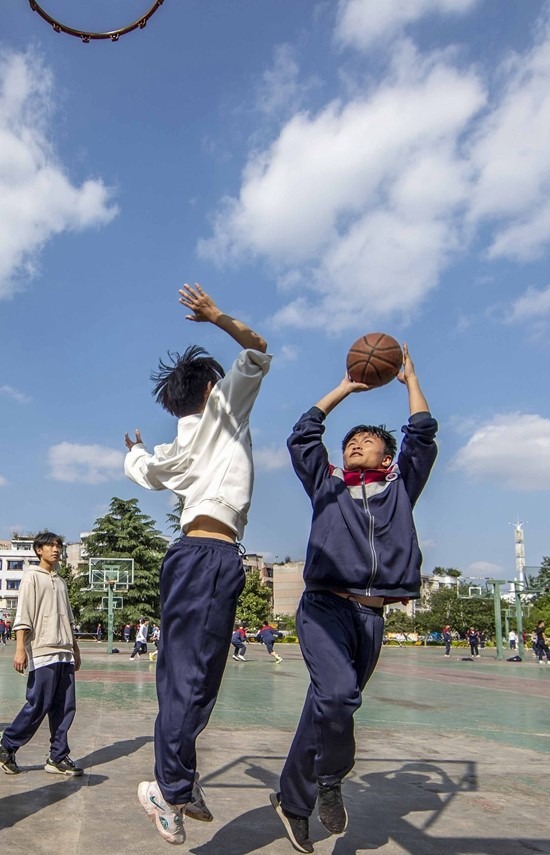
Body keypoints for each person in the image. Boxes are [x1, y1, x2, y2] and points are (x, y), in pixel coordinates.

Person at [270, 343, 437, 854]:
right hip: (324, 606)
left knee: (327, 710)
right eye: (351, 441)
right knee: (339, 697)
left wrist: (408, 379)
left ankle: (292, 803)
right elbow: (303, 434)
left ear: (387, 457)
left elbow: (422, 435)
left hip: (371, 616)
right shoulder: (328, 486)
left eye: (367, 440)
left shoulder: (400, 487)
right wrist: (346, 386)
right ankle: (330, 781)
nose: (356, 444)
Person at [124, 283, 270, 845]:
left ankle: (177, 779)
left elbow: (143, 468)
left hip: (195, 556)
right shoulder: (224, 410)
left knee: (191, 679)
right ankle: (169, 786)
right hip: (209, 556)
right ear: (212, 389)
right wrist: (216, 318)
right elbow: (258, 348)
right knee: (192, 679)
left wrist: (134, 448)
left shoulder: (175, 448)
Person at [0, 532, 83, 777]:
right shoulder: (31, 578)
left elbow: (68, 619)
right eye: (50, 546)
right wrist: (19, 650)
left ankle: (58, 757)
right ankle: (7, 745)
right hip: (43, 652)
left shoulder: (60, 581)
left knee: (65, 707)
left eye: (58, 545)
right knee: (38, 705)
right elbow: (23, 616)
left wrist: (75, 649)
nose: (55, 549)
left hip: (64, 653)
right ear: (39, 550)